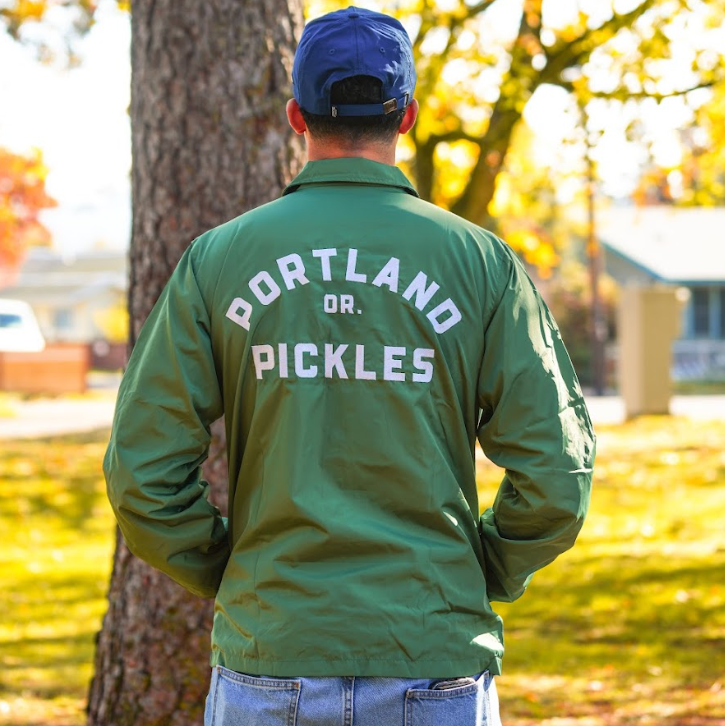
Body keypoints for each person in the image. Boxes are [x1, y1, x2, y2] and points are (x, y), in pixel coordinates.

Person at [104, 7, 595, 726]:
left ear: (296, 115)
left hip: (271, 649)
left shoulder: (219, 261)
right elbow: (557, 474)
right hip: (433, 650)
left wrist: (237, 575)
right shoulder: (481, 265)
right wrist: (480, 570)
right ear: (408, 116)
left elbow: (142, 474)